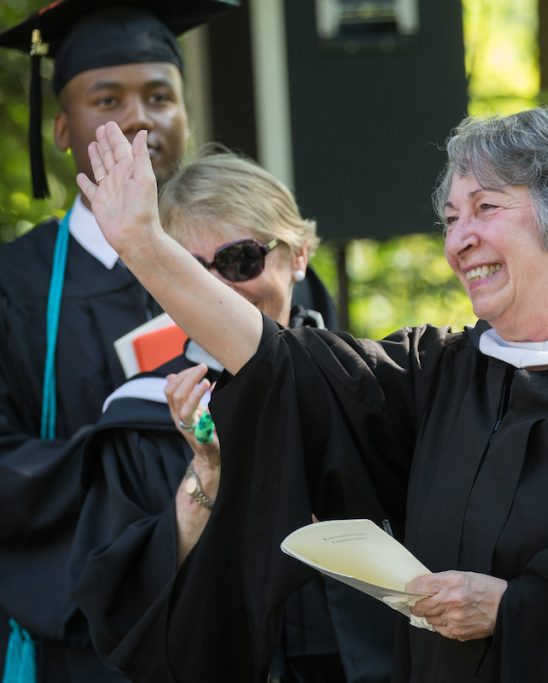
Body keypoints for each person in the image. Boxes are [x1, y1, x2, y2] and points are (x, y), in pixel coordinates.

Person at [80, 107, 548, 681]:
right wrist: (145, 245)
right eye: (450, 218)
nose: (459, 240)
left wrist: (512, 608)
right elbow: (288, 365)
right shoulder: (447, 373)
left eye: (486, 208)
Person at [66, 149, 393, 683]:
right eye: (189, 268)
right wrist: (207, 478)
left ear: (300, 255)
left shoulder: (370, 385)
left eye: (242, 259)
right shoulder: (141, 411)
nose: (218, 286)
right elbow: (122, 601)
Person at [0, 1, 234, 680]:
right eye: (109, 98)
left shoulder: (248, 264)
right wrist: (147, 483)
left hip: (237, 618)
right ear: (62, 129)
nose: (139, 117)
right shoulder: (16, 282)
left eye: (160, 96)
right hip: (88, 636)